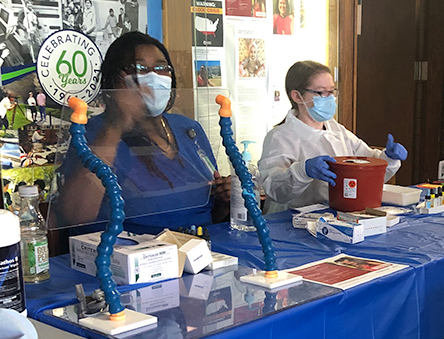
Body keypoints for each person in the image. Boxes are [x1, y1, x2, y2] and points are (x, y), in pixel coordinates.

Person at [52, 31, 230, 234]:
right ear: (115, 79)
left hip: (199, 252)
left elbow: (202, 215)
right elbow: (75, 216)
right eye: (140, 69)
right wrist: (117, 124)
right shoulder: (90, 133)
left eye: (162, 68)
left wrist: (225, 201)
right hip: (130, 257)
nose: (154, 77)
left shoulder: (188, 129)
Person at [259, 60, 407, 213]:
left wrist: (388, 158)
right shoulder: (280, 137)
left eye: (332, 91)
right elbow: (274, 189)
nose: (329, 98)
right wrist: (302, 171)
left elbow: (367, 168)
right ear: (297, 96)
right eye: (321, 92)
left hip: (335, 217)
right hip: (290, 223)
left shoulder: (337, 130)